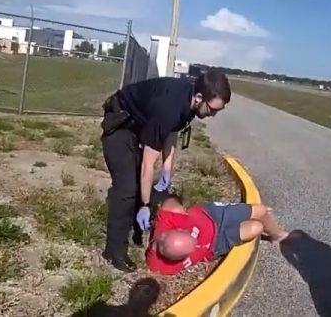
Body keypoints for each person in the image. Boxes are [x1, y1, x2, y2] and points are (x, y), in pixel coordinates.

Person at [99, 69, 232, 272]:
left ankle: (134, 223)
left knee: (139, 184)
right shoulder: (168, 109)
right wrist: (144, 205)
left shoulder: (189, 102)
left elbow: (171, 132)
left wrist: (167, 169)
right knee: (126, 189)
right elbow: (147, 165)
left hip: (139, 125)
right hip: (120, 125)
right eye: (212, 109)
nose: (213, 114)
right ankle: (113, 250)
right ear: (199, 97)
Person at [145, 193, 289, 275]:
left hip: (212, 216)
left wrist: (179, 206)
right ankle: (258, 219)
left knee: (260, 211)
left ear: (171, 232)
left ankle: (277, 234)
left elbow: (170, 200)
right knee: (256, 227)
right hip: (216, 244)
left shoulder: (167, 219)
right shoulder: (160, 267)